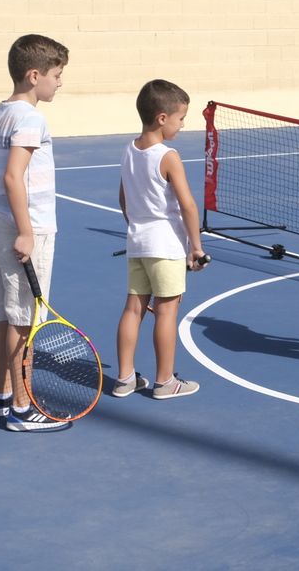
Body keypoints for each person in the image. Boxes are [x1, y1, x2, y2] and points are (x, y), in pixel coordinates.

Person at [0, 34, 70, 432]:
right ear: (34, 74)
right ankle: (23, 409)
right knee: (24, 319)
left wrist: (0, 202)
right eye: (57, 75)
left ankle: (0, 397)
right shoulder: (30, 118)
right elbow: (12, 175)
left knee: (1, 317)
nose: (60, 82)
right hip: (28, 229)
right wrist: (24, 228)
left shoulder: (0, 112)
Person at [113, 79, 209, 399]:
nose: (184, 124)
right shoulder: (168, 156)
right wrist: (195, 247)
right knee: (166, 312)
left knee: (133, 310)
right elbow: (188, 204)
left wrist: (135, 226)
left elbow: (123, 199)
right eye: (181, 118)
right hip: (166, 246)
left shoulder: (129, 149)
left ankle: (125, 377)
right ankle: (165, 382)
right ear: (162, 118)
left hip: (137, 242)